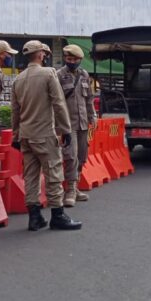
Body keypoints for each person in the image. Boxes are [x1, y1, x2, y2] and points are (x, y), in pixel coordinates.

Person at [11, 40, 81, 231]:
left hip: (25, 136)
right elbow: (58, 104)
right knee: (53, 173)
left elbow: (15, 112)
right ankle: (57, 215)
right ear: (41, 55)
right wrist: (65, 129)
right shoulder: (48, 74)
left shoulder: (18, 79)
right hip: (45, 134)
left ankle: (34, 217)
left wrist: (15, 135)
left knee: (31, 177)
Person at [56, 44, 97, 207]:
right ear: (65, 59)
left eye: (75, 59)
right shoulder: (59, 75)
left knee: (81, 156)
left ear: (80, 60)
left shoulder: (84, 75)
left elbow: (89, 98)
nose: (72, 61)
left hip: (82, 123)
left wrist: (92, 115)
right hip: (67, 124)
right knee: (70, 156)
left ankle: (76, 185)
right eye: (69, 58)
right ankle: (70, 190)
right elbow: (55, 101)